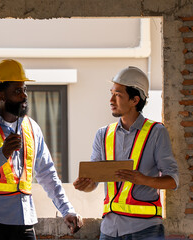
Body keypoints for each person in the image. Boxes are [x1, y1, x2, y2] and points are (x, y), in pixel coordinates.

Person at [0, 59, 83, 240]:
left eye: (25, 89)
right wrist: (2, 154)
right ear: (1, 95)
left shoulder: (32, 128)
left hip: (23, 221)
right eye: (17, 91)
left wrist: (67, 210)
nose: (24, 96)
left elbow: (47, 173)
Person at [73, 66, 179, 240]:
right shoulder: (103, 134)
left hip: (146, 230)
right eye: (111, 93)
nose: (111, 100)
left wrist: (142, 179)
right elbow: (94, 182)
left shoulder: (156, 132)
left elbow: (173, 180)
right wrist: (86, 185)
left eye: (118, 95)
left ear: (134, 100)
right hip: (109, 231)